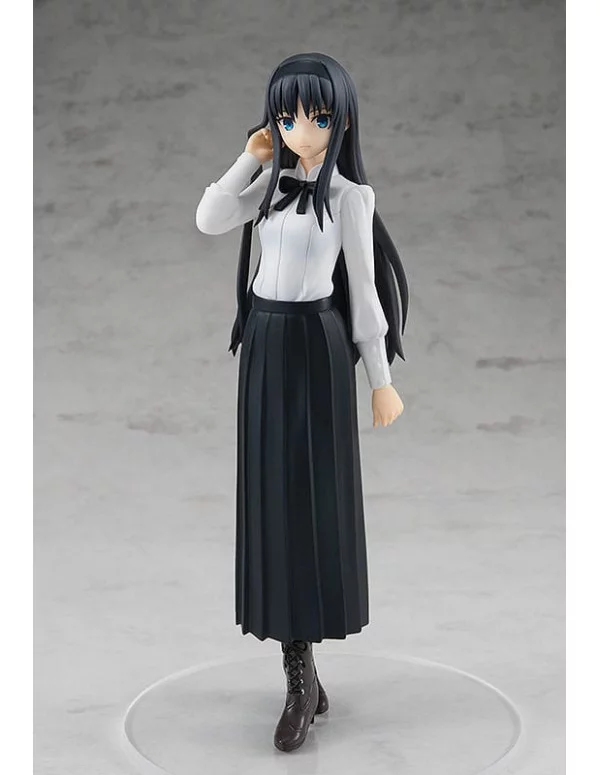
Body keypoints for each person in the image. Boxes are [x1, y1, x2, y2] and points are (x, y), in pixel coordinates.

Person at [195, 52, 409, 753]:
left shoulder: (350, 198)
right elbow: (209, 218)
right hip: (264, 343)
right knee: (271, 500)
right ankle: (300, 671)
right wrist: (248, 157)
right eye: (287, 116)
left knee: (311, 502)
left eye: (315, 116)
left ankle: (302, 673)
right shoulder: (269, 186)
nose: (300, 129)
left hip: (317, 347)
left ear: (340, 120)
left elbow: (366, 295)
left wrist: (379, 378)